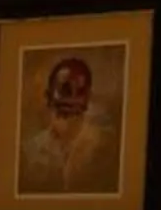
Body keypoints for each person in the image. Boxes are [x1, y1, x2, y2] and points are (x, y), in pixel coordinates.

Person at [19, 54, 119, 195]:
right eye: (65, 89)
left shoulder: (106, 149)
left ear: (89, 97)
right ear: (48, 96)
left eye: (80, 91)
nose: (73, 99)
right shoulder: (29, 153)